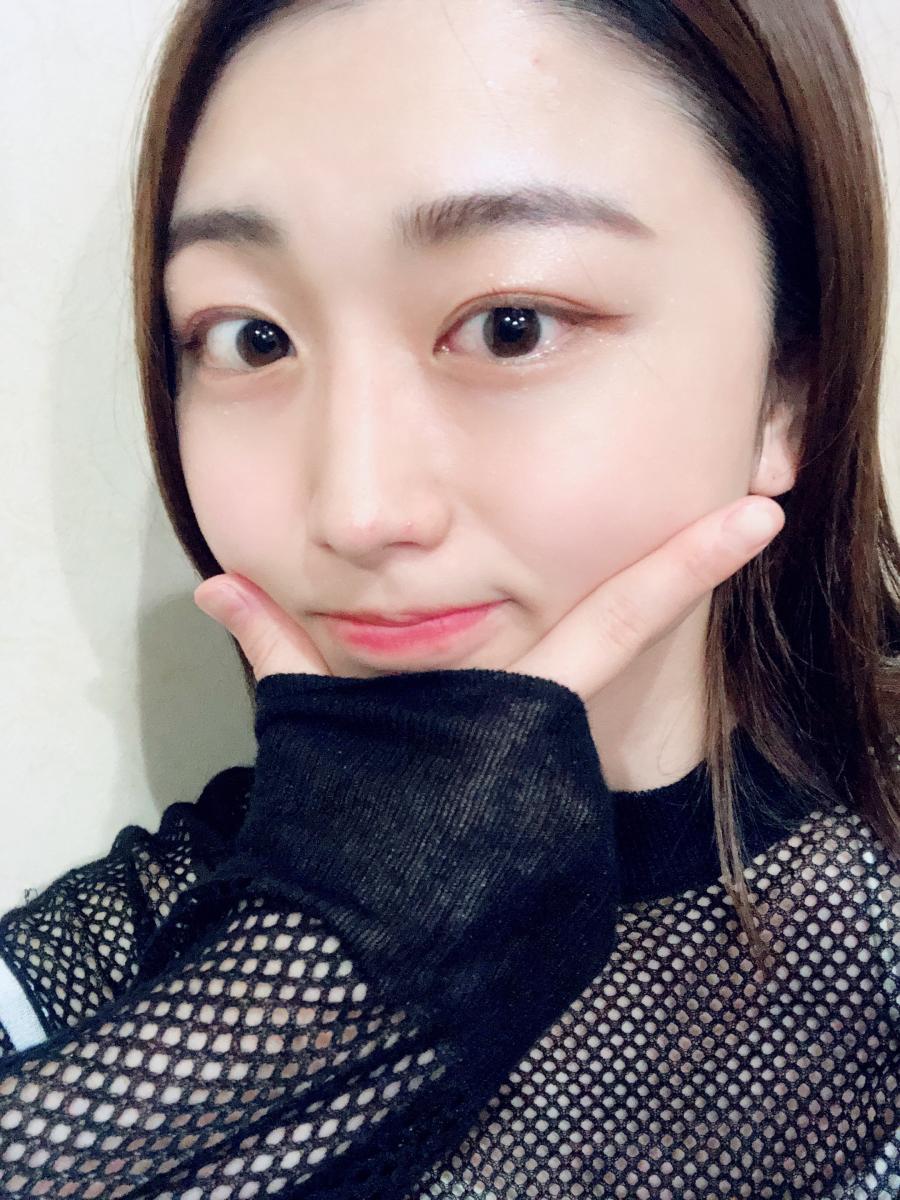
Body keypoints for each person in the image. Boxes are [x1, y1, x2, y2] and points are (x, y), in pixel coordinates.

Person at [0, 0, 897, 1195]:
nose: (355, 508)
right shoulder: (96, 976)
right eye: (253, 339)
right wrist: (326, 974)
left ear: (792, 384)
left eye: (510, 328)